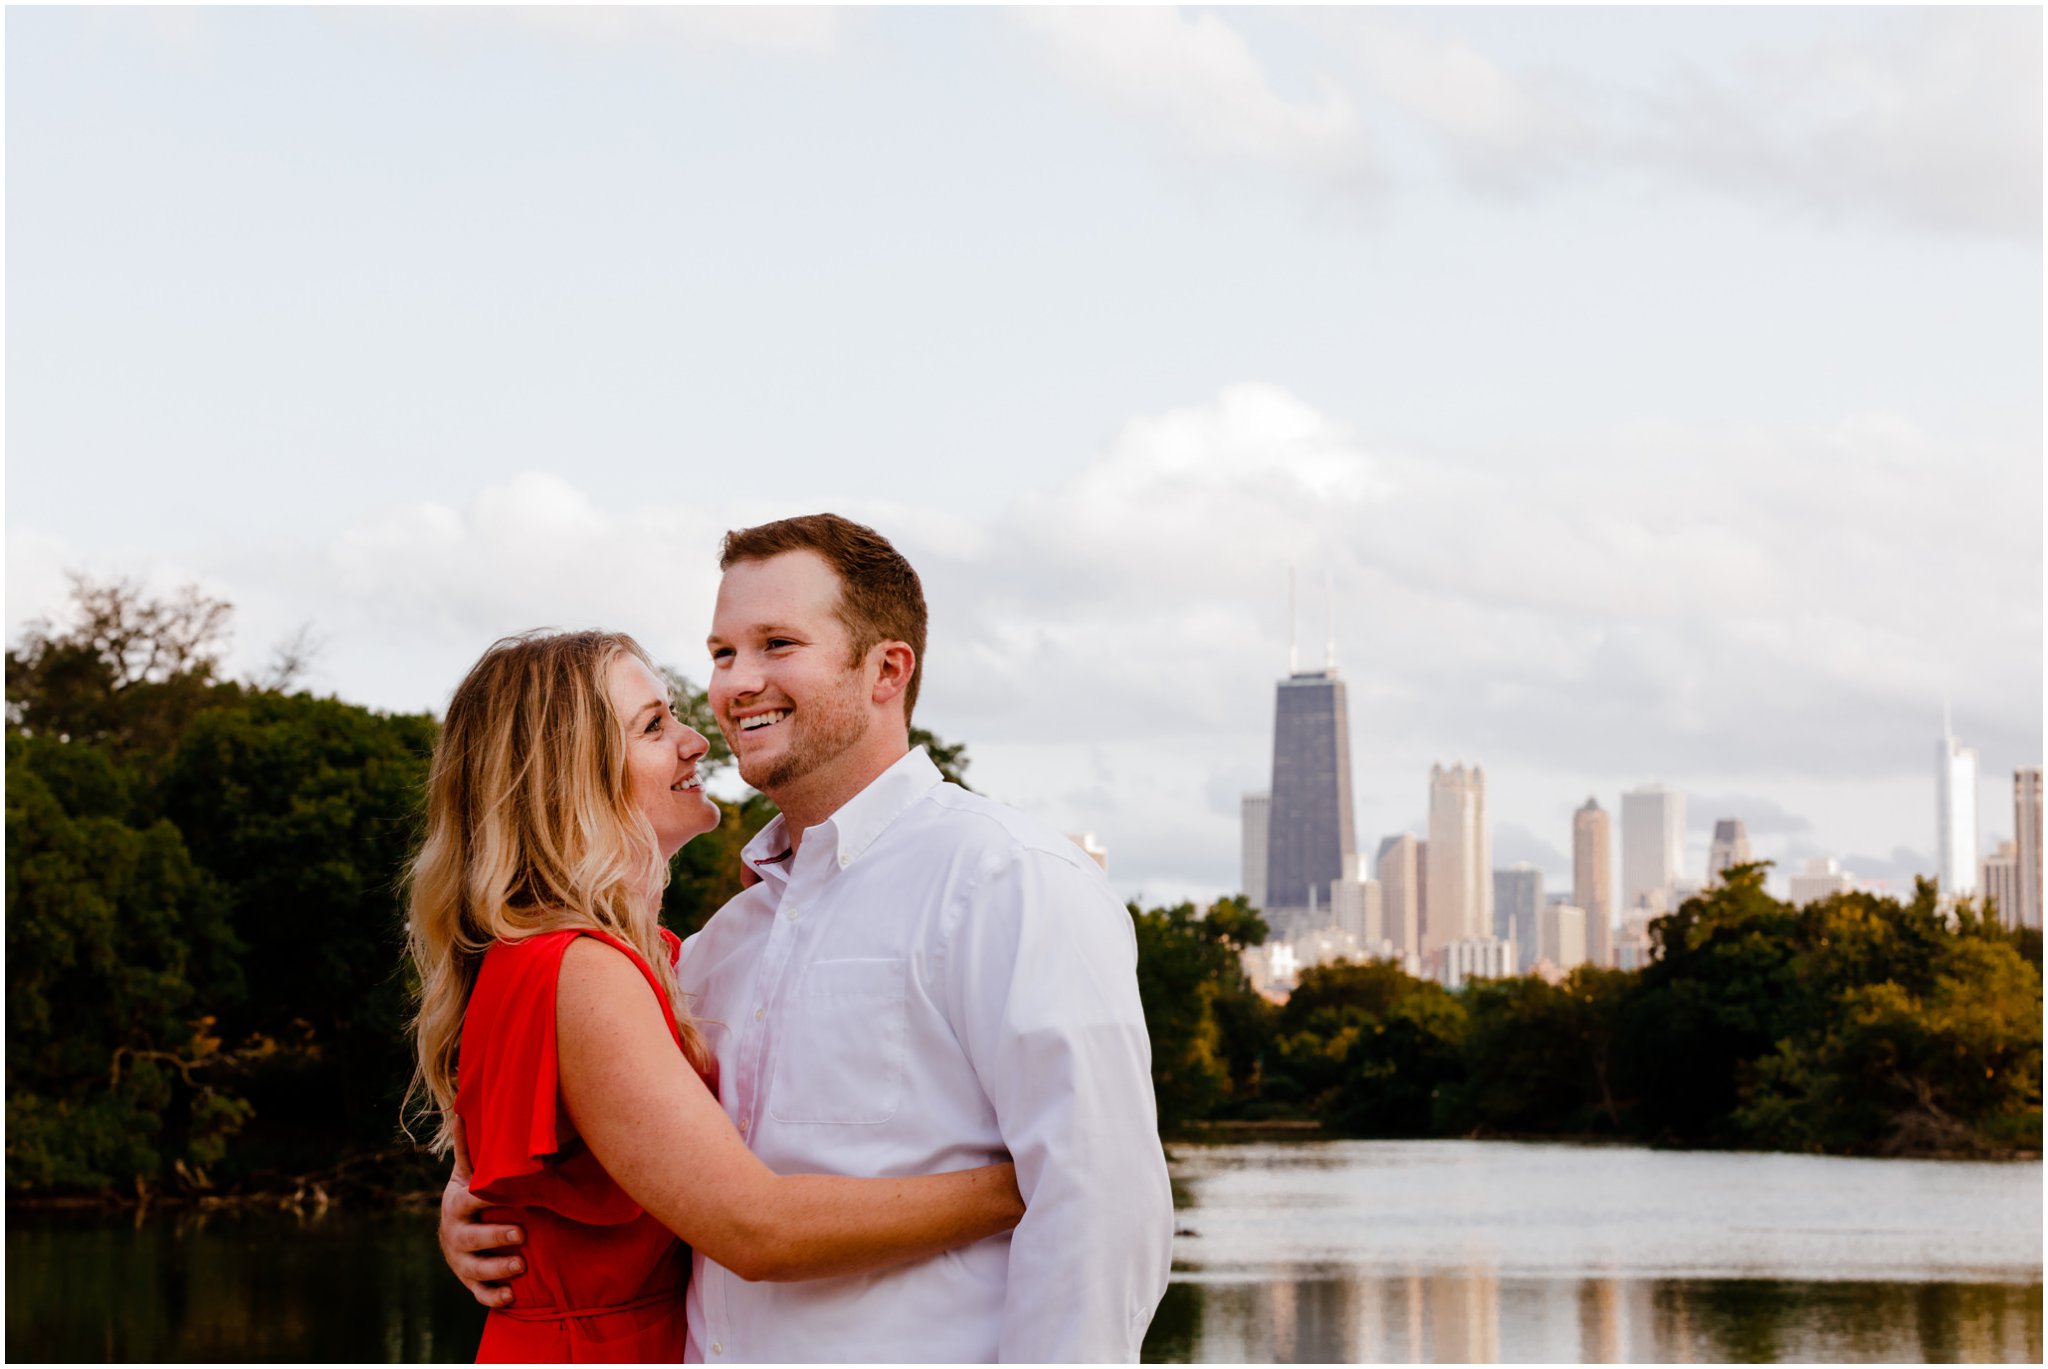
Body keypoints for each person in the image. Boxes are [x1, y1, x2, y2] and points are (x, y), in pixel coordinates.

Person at [444, 515, 1175, 1362]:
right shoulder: (715, 947)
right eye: (721, 654)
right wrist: (479, 1200)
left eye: (777, 643)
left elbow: (1104, 1209)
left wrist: (1062, 1182)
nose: (736, 683)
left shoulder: (1007, 880)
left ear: (885, 670)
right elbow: (663, 1177)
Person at [406, 630, 1026, 1362]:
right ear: (568, 777)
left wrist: (467, 1190)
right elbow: (756, 1227)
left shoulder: (636, 959)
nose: (696, 740)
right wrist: (1030, 1179)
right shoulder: (578, 969)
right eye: (654, 725)